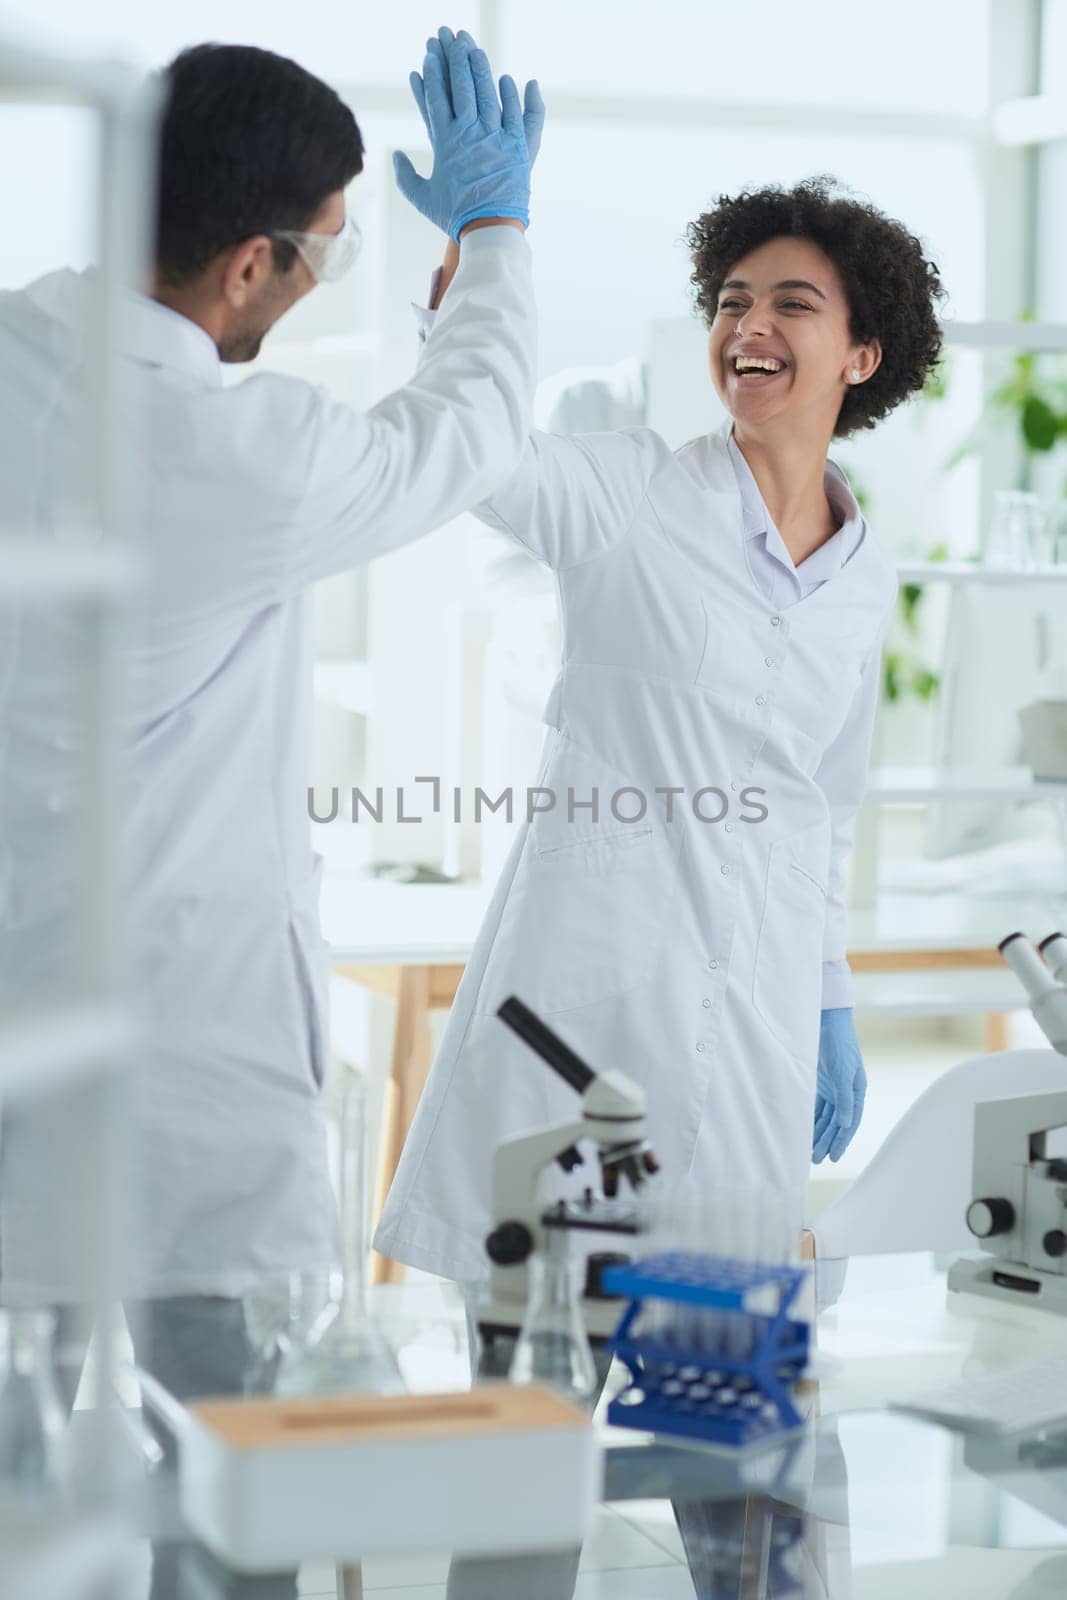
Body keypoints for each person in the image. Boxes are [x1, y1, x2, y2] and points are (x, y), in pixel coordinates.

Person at [0, 18, 540, 1508]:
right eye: (322, 258)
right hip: (184, 1113)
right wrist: (492, 230)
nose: (310, 293)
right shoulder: (241, 454)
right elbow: (472, 426)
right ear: (247, 263)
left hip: (23, 1087)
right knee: (216, 1524)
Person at [376, 175, 945, 1289]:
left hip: (754, 1024)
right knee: (537, 1387)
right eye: (731, 302)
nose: (749, 326)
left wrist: (827, 995)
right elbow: (479, 456)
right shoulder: (629, 492)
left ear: (861, 355)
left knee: (730, 1416)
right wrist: (473, 279)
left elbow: (822, 802)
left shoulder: (861, 569)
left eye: (790, 304)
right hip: (581, 1012)